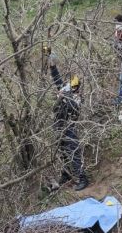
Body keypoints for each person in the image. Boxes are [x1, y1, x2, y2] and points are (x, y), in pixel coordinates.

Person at [46, 49, 89, 192]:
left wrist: (66, 97)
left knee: (74, 152)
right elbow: (57, 79)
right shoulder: (65, 90)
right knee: (63, 152)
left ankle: (83, 178)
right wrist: (52, 66)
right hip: (58, 126)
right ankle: (66, 174)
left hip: (69, 127)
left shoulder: (76, 97)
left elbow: (75, 110)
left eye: (70, 87)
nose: (66, 88)